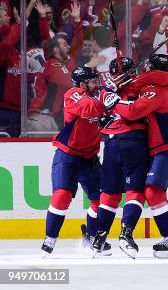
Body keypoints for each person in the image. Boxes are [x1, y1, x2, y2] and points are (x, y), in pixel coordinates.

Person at [110, 54, 168, 258]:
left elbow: (134, 111)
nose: (145, 71)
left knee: (153, 191)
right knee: (151, 191)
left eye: (149, 68)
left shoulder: (158, 89)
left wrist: (113, 102)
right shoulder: (161, 85)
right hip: (161, 146)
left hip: (167, 145)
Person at [41, 66, 117, 257]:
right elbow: (88, 108)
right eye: (93, 81)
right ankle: (50, 239)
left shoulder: (99, 94)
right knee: (62, 196)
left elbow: (108, 114)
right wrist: (106, 100)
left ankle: (91, 237)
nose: (96, 84)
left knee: (101, 200)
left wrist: (114, 97)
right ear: (82, 84)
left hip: (89, 158)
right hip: (67, 156)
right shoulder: (72, 94)